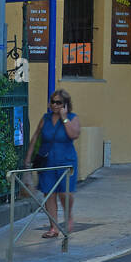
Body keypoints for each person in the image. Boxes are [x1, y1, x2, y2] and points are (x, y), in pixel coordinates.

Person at [24, 89, 80, 238]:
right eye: (53, 102)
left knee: (65, 193)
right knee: (49, 193)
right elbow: (36, 138)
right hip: (47, 161)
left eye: (58, 102)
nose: (54, 105)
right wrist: (28, 160)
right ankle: (53, 227)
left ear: (65, 104)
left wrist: (64, 118)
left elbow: (74, 135)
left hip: (66, 161)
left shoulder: (73, 118)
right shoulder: (45, 118)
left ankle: (68, 216)